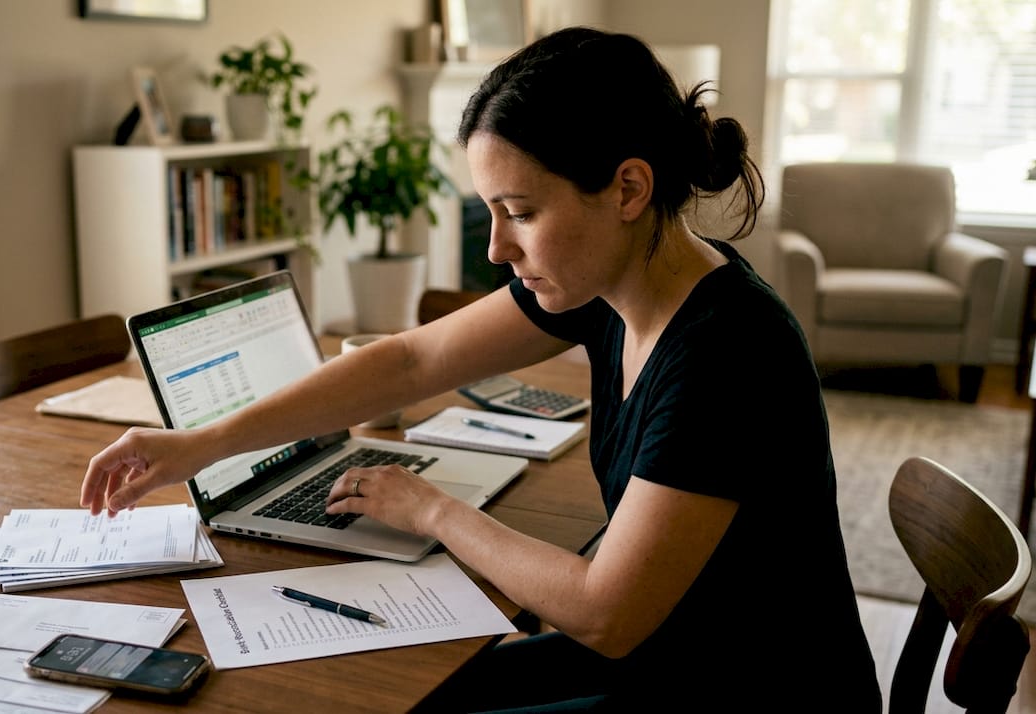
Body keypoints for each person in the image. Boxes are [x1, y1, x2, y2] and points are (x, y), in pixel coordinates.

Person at [82, 27, 882, 711]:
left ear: (629, 188)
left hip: (747, 690)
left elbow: (606, 612)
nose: (498, 248)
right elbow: (412, 359)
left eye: (522, 213)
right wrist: (203, 443)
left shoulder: (728, 351)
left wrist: (434, 511)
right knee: (408, 689)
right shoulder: (613, 282)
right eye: (492, 211)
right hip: (674, 654)